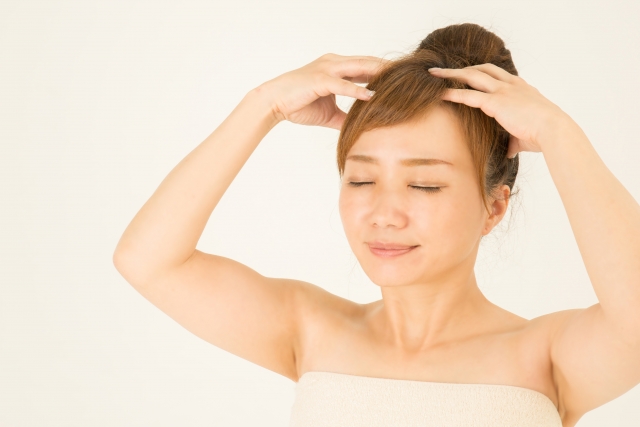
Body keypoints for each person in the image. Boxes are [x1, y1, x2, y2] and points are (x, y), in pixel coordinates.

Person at [112, 23, 640, 427]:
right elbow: (148, 261)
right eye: (361, 180)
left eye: (424, 185)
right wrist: (263, 105)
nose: (384, 213)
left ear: (494, 207)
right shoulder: (312, 331)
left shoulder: (544, 357)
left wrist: (558, 131)